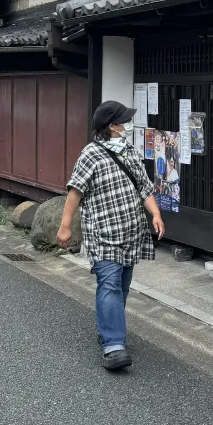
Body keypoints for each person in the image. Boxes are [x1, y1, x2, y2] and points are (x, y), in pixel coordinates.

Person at [58, 100, 165, 371]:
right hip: (103, 234)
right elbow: (75, 192)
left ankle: (108, 328)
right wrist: (65, 226)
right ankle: (114, 346)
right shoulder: (90, 154)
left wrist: (155, 214)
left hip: (131, 231)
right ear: (110, 127)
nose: (126, 125)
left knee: (123, 287)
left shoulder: (129, 151)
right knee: (110, 285)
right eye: (123, 121)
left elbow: (144, 187)